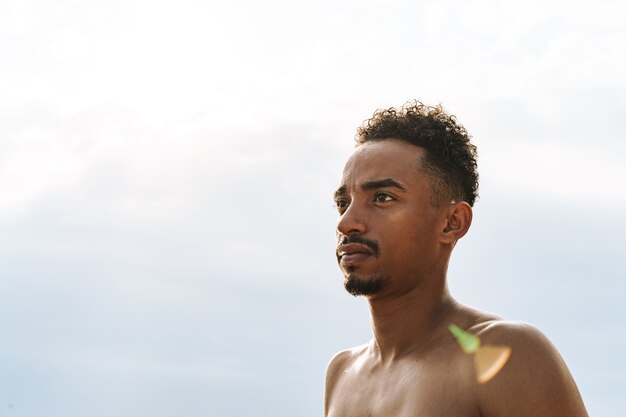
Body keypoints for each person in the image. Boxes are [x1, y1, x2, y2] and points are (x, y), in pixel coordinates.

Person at [325, 102, 588, 417]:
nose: (347, 222)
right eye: (344, 202)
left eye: (383, 198)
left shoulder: (504, 353)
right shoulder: (342, 373)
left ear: (452, 223)